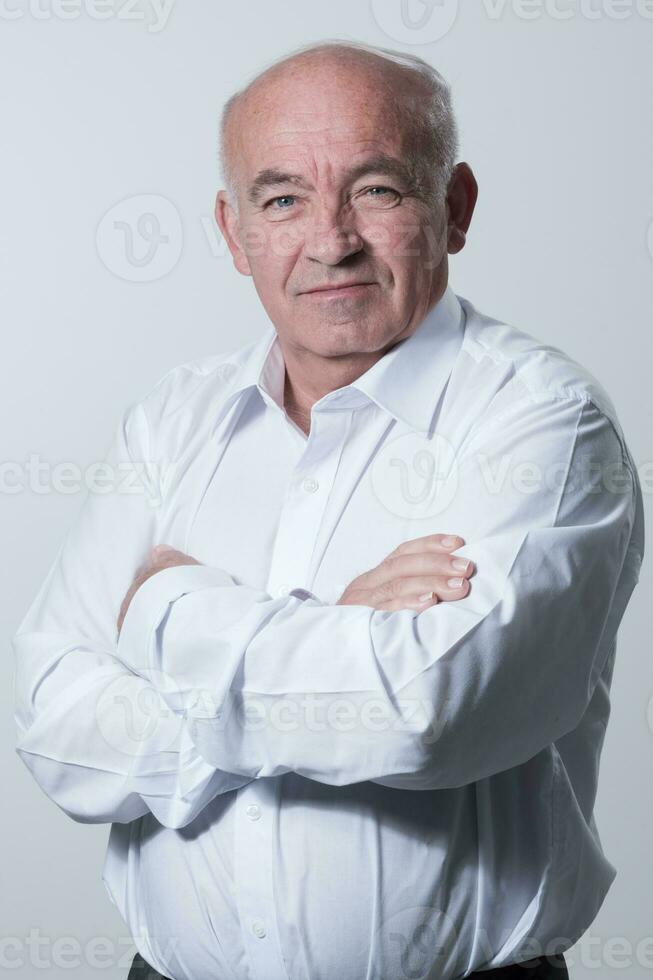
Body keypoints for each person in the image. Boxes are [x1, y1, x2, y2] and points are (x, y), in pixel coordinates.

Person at [13, 39, 643, 980]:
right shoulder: (172, 421)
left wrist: (168, 613)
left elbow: (426, 714)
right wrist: (338, 629)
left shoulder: (545, 420)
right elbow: (57, 733)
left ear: (454, 207)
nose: (330, 239)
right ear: (233, 233)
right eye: (282, 200)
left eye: (378, 190)